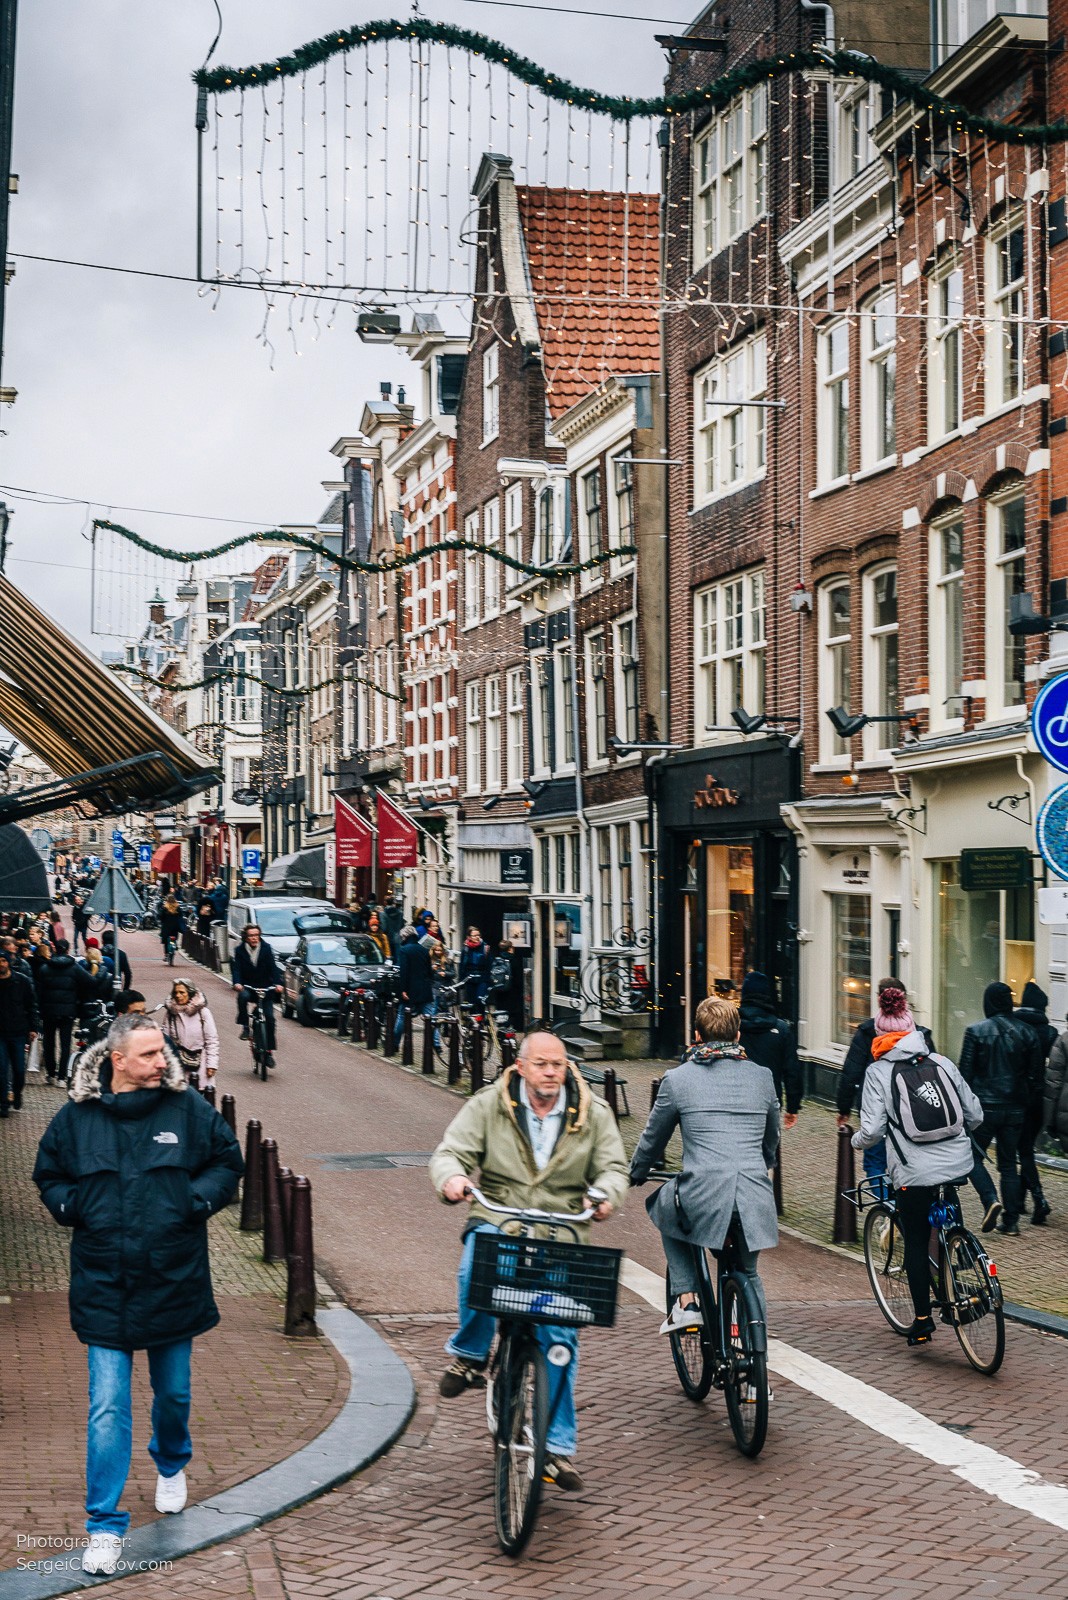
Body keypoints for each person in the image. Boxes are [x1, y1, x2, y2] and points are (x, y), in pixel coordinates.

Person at [32, 1012, 243, 1576]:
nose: (161, 1063)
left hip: (174, 1280)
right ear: (116, 1060)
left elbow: (228, 1162)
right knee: (106, 1408)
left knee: (172, 1397)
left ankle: (171, 1463)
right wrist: (71, 1207)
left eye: (163, 1053)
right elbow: (48, 1174)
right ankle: (103, 1525)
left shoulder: (187, 1110)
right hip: (104, 1284)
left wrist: (193, 1203)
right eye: (149, 1055)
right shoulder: (78, 1118)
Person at [429, 1029, 628, 1492]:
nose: (551, 1073)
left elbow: (614, 1168)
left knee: (560, 1333)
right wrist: (453, 1179)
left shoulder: (593, 1113)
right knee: (476, 1265)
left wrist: (605, 1196)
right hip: (501, 1216)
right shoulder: (488, 1105)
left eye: (557, 1064)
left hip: (562, 1228)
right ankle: (472, 1355)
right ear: (520, 1066)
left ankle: (555, 1448)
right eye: (541, 1064)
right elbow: (452, 1151)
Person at [630, 996, 780, 1342]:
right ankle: (756, 1369)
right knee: (749, 1273)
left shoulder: (678, 1079)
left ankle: (686, 1301)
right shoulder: (763, 1078)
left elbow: (654, 1136)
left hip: (701, 1193)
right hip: (753, 1194)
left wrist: (638, 1170)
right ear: (738, 1035)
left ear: (696, 1035)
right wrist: (764, 1163)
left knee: (664, 1207)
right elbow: (771, 1137)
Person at [851, 1002, 984, 1346]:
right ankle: (961, 1275)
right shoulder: (941, 1062)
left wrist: (856, 1141)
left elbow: (873, 1130)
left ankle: (923, 1321)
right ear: (912, 1031)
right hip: (955, 1165)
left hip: (912, 1171)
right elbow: (975, 1113)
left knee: (914, 1239)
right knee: (949, 1226)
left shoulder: (878, 1073)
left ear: (880, 1035)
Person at [836, 978, 935, 1201]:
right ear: (905, 1001)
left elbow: (851, 1071)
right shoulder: (921, 1036)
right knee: (912, 1160)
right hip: (914, 1110)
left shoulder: (866, 1033)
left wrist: (843, 1108)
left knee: (875, 1161)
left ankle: (889, 1208)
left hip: (876, 1109)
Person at [959, 982, 1043, 1236]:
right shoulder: (1028, 1033)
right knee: (1008, 1164)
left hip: (983, 1108)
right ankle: (1012, 1221)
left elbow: (963, 1077)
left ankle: (989, 1200)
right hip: (1015, 1108)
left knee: (971, 1157)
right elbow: (1036, 1076)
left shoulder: (975, 1031)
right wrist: (1024, 1101)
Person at [1013, 981, 1056, 1226]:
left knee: (1024, 1150)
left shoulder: (1014, 1028)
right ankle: (1020, 1200)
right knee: (1026, 1147)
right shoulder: (1050, 1033)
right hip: (1039, 1099)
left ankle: (1040, 1200)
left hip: (1018, 1096)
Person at [737, 971, 803, 1127]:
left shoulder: (733, 1026)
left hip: (738, 1097)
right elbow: (792, 1070)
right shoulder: (781, 1029)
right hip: (770, 1098)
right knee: (770, 1145)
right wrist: (792, 1107)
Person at [230, 924, 284, 1065]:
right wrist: (237, 983)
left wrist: (278, 984)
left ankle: (269, 1052)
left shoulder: (266, 949)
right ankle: (245, 1027)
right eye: (251, 936)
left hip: (266, 988)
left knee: (270, 1019)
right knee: (243, 997)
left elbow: (273, 968)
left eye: (256, 935)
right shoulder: (239, 951)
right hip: (249, 987)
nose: (254, 938)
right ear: (246, 937)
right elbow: (237, 970)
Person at [37, 938, 83, 1086]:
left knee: (49, 1043)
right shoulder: (74, 967)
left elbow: (37, 990)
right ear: (68, 950)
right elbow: (90, 982)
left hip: (48, 1011)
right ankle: (62, 1077)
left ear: (55, 949)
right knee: (65, 1044)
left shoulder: (45, 968)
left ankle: (51, 1074)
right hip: (67, 1011)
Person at [0, 947, 39, 1117]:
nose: (0, 964)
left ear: (8, 963)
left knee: (19, 1069)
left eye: (3, 961)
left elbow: (31, 1006)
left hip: (17, 1032)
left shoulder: (21, 982)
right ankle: (3, 1103)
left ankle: (16, 1093)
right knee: (1, 1070)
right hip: (0, 1033)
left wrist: (33, 1027)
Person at [163, 979, 220, 1091]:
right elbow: (165, 1041)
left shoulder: (203, 1013)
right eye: (176, 992)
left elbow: (212, 1040)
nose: (178, 996)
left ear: (190, 993)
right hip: (178, 1065)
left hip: (200, 1064)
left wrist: (211, 1065)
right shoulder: (171, 1014)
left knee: (202, 1098)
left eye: (182, 992)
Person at [459, 926, 492, 1009]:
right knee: (471, 1002)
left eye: (478, 935)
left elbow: (490, 964)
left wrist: (489, 979)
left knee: (480, 1000)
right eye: (474, 935)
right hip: (469, 978)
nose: (477, 937)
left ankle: (481, 1019)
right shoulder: (466, 949)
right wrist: (461, 980)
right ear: (469, 937)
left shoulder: (485, 948)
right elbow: (462, 965)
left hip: (482, 977)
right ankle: (473, 1020)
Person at [158, 895, 184, 960]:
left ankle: (166, 954)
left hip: (167, 926)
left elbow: (161, 917)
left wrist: (161, 921)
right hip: (175, 926)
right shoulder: (178, 907)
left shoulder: (165, 908)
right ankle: (174, 945)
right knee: (173, 938)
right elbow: (181, 916)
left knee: (166, 941)